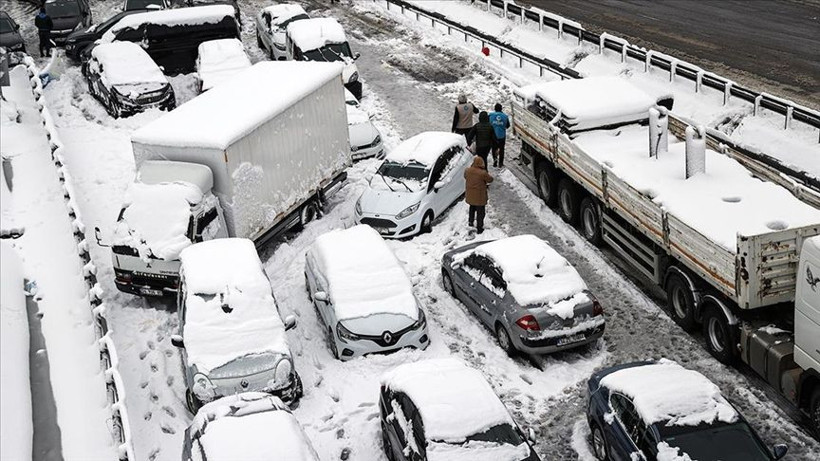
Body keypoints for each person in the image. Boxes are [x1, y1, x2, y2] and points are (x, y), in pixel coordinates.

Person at [464, 156, 493, 234]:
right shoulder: (482, 173)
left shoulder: (467, 170)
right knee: (480, 212)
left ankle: (470, 222)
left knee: (472, 208)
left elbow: (465, 177)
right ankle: (479, 228)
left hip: (470, 195)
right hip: (479, 196)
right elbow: (490, 179)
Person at [489, 103, 510, 168]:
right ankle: (501, 163)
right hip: (502, 136)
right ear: (501, 109)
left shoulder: (490, 115)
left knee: (494, 148)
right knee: (501, 149)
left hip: (493, 136)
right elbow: (508, 126)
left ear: (495, 109)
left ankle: (495, 160)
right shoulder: (505, 116)